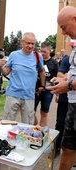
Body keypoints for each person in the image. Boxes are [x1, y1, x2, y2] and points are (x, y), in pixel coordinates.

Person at [46, 6, 76, 170]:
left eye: (64, 27)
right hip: (71, 102)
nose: (63, 33)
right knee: (68, 146)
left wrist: (69, 84)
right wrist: (62, 79)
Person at [0, 32, 45, 125]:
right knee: (7, 123)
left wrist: (42, 86)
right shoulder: (14, 55)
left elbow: (41, 70)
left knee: (28, 125)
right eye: (28, 43)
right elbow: (6, 71)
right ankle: (5, 140)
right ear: (22, 42)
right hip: (13, 94)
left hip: (29, 95)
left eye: (33, 43)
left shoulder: (37, 56)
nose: (30, 46)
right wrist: (0, 67)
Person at [34, 42, 59, 126]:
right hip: (36, 90)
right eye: (41, 51)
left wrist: (57, 93)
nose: (42, 53)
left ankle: (41, 132)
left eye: (44, 51)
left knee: (44, 112)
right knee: (31, 111)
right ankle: (36, 126)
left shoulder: (54, 63)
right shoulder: (36, 61)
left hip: (48, 91)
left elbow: (56, 78)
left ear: (49, 51)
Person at [54, 56, 70, 158]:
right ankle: (57, 147)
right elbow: (59, 73)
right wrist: (67, 77)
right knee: (60, 124)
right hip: (65, 97)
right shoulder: (67, 59)